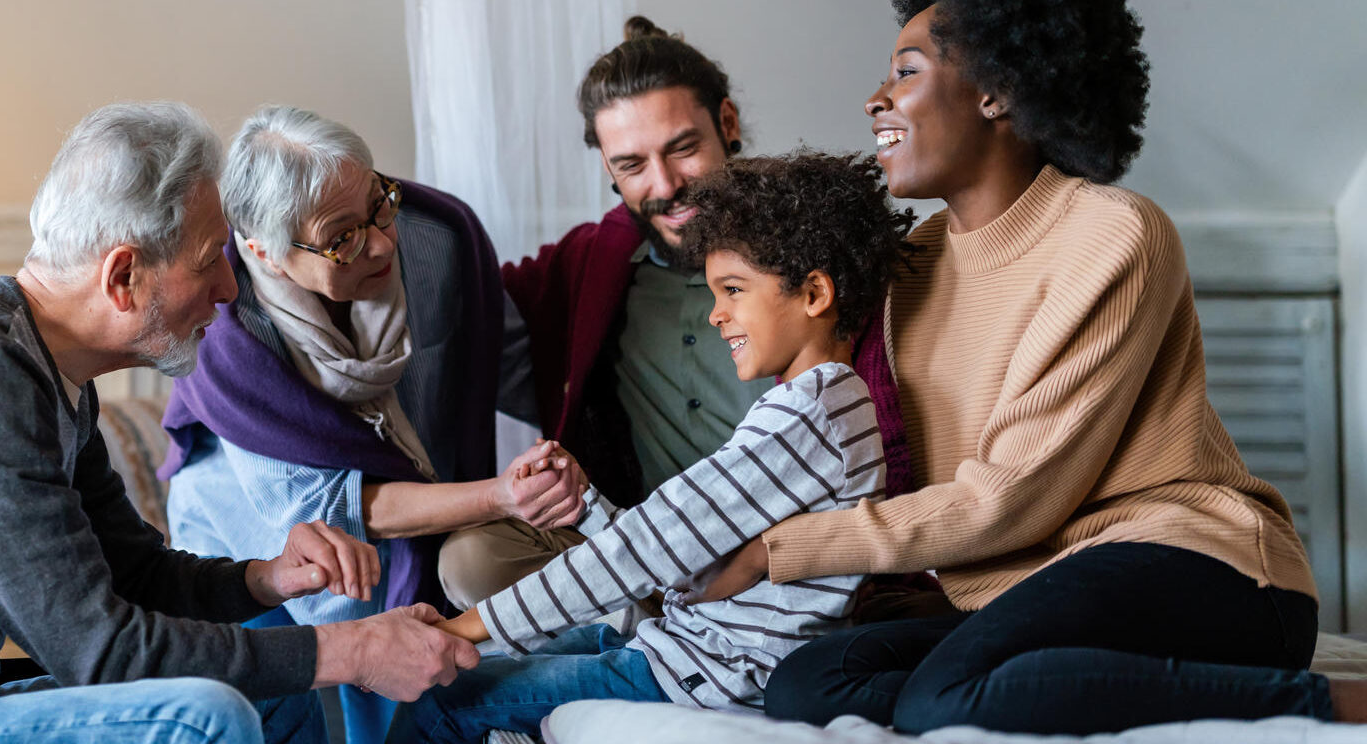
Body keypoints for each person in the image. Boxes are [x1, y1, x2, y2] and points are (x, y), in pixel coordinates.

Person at [0, 101, 480, 744]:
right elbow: (98, 652)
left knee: (271, 695)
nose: (230, 293)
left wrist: (264, 577)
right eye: (210, 263)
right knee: (204, 717)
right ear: (125, 275)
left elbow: (133, 578)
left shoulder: (47, 374)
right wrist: (348, 650)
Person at [684, 0, 1367, 733]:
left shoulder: (1114, 232)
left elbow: (1009, 500)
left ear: (997, 91)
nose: (874, 99)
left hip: (1200, 563)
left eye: (905, 72)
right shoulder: (908, 268)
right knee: (810, 683)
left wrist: (772, 553)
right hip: (1035, 580)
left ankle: (1327, 703)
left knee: (942, 696)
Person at [395, 151, 921, 743]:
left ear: (814, 293)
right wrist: (586, 502)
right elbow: (680, 553)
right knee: (489, 668)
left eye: (733, 290)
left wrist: (460, 627)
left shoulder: (810, 414)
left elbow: (646, 548)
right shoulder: (820, 405)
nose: (716, 314)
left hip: (708, 675)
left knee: (438, 705)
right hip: (681, 646)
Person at [445, 15, 924, 612]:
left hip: (804, 563)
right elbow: (453, 287)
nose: (667, 185)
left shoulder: (810, 244)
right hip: (654, 559)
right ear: (607, 169)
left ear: (726, 123)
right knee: (472, 558)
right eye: (632, 164)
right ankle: (654, 631)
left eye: (683, 148)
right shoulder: (591, 263)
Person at [158, 105, 587, 744]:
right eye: (342, 238)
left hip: (406, 503)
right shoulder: (224, 328)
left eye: (380, 204)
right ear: (264, 253)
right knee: (330, 620)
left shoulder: (439, 236)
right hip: (246, 519)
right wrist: (501, 495)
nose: (383, 242)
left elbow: (514, 366)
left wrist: (570, 465)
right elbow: (330, 507)